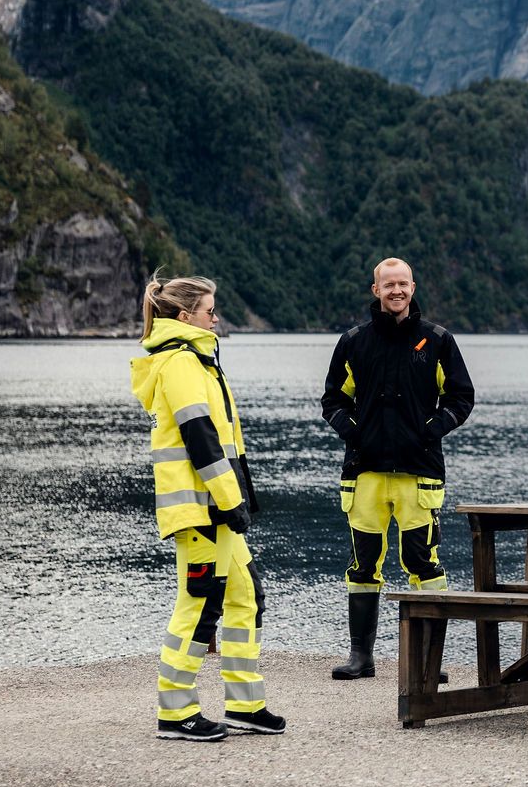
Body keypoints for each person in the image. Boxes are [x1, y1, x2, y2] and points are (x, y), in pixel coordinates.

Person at [129, 273, 284, 740]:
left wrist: (234, 500)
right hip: (200, 508)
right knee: (199, 605)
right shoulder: (180, 363)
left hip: (215, 506)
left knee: (245, 597)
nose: (215, 318)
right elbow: (201, 439)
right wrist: (231, 499)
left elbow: (220, 440)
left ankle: (244, 704)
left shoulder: (198, 360)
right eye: (209, 310)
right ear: (184, 316)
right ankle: (175, 712)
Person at [320, 257, 475, 680]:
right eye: (388, 285)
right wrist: (355, 433)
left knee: (424, 563)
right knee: (363, 563)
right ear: (375, 290)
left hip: (418, 472)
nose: (396, 291)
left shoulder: (437, 341)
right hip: (364, 473)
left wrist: (430, 430)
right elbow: (332, 400)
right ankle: (361, 657)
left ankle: (429, 661)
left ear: (413, 287)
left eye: (402, 284)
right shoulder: (353, 342)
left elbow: (461, 397)